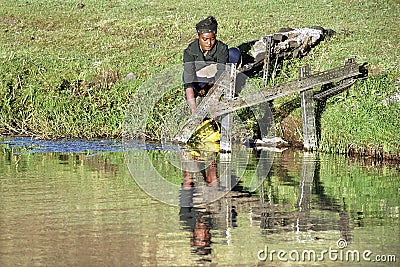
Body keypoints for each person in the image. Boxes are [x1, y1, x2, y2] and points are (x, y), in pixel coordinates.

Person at [183, 16, 241, 113]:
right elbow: (188, 79)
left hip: (214, 75)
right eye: (205, 39)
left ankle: (211, 86)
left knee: (234, 53)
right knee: (192, 89)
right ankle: (202, 90)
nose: (209, 43)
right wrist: (194, 109)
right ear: (198, 36)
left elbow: (220, 75)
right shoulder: (189, 51)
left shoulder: (221, 48)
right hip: (199, 78)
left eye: (212, 39)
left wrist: (215, 101)